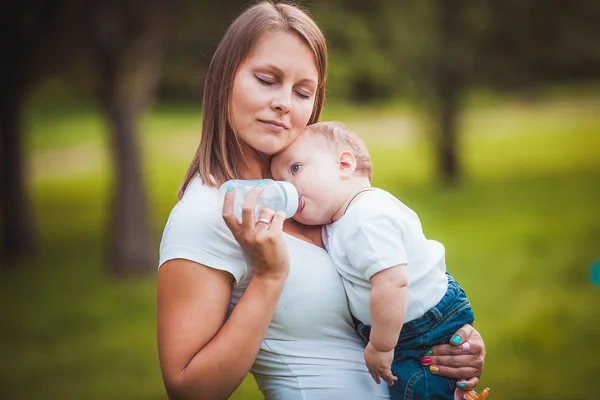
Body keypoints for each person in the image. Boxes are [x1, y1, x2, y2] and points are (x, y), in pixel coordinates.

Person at [156, 2, 486, 400]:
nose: (284, 103)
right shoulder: (207, 214)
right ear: (224, 79)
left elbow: (383, 285)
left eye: (302, 91)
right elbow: (189, 390)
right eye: (266, 79)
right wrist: (268, 278)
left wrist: (451, 340)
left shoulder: (316, 197)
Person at [270, 121, 478, 399]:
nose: (288, 189)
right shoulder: (344, 218)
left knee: (418, 388)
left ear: (344, 164)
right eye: (280, 182)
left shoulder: (363, 219)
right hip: (413, 322)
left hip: (417, 331)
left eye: (295, 169)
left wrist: (380, 347)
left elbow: (392, 283)